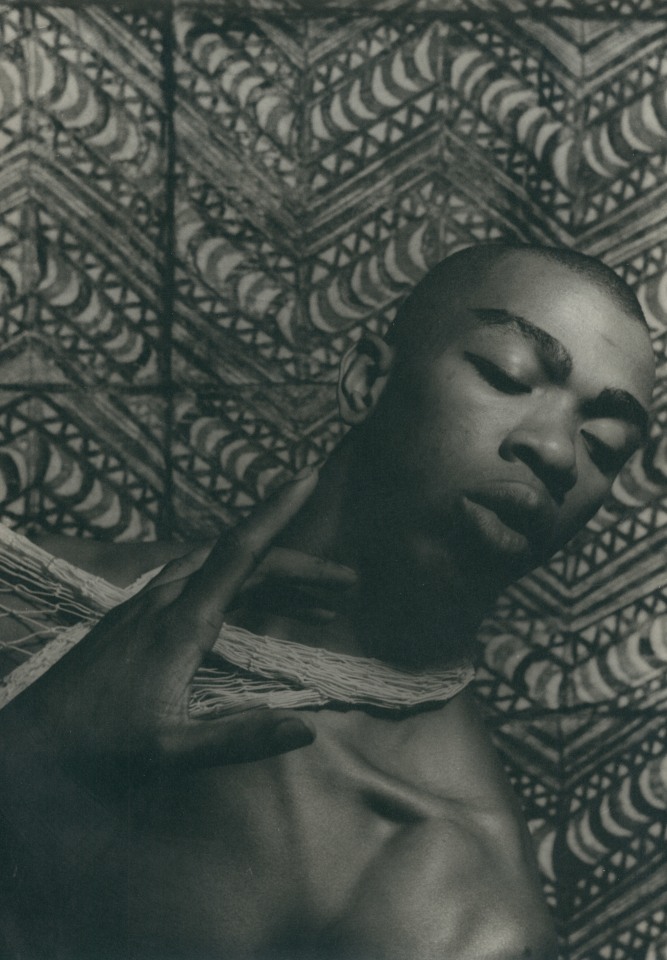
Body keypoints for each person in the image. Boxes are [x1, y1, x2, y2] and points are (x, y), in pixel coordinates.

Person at [0, 242, 655, 960]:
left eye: (604, 444)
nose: (558, 451)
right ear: (367, 380)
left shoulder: (469, 912)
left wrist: (36, 764)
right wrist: (34, 745)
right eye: (508, 375)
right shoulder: (24, 592)